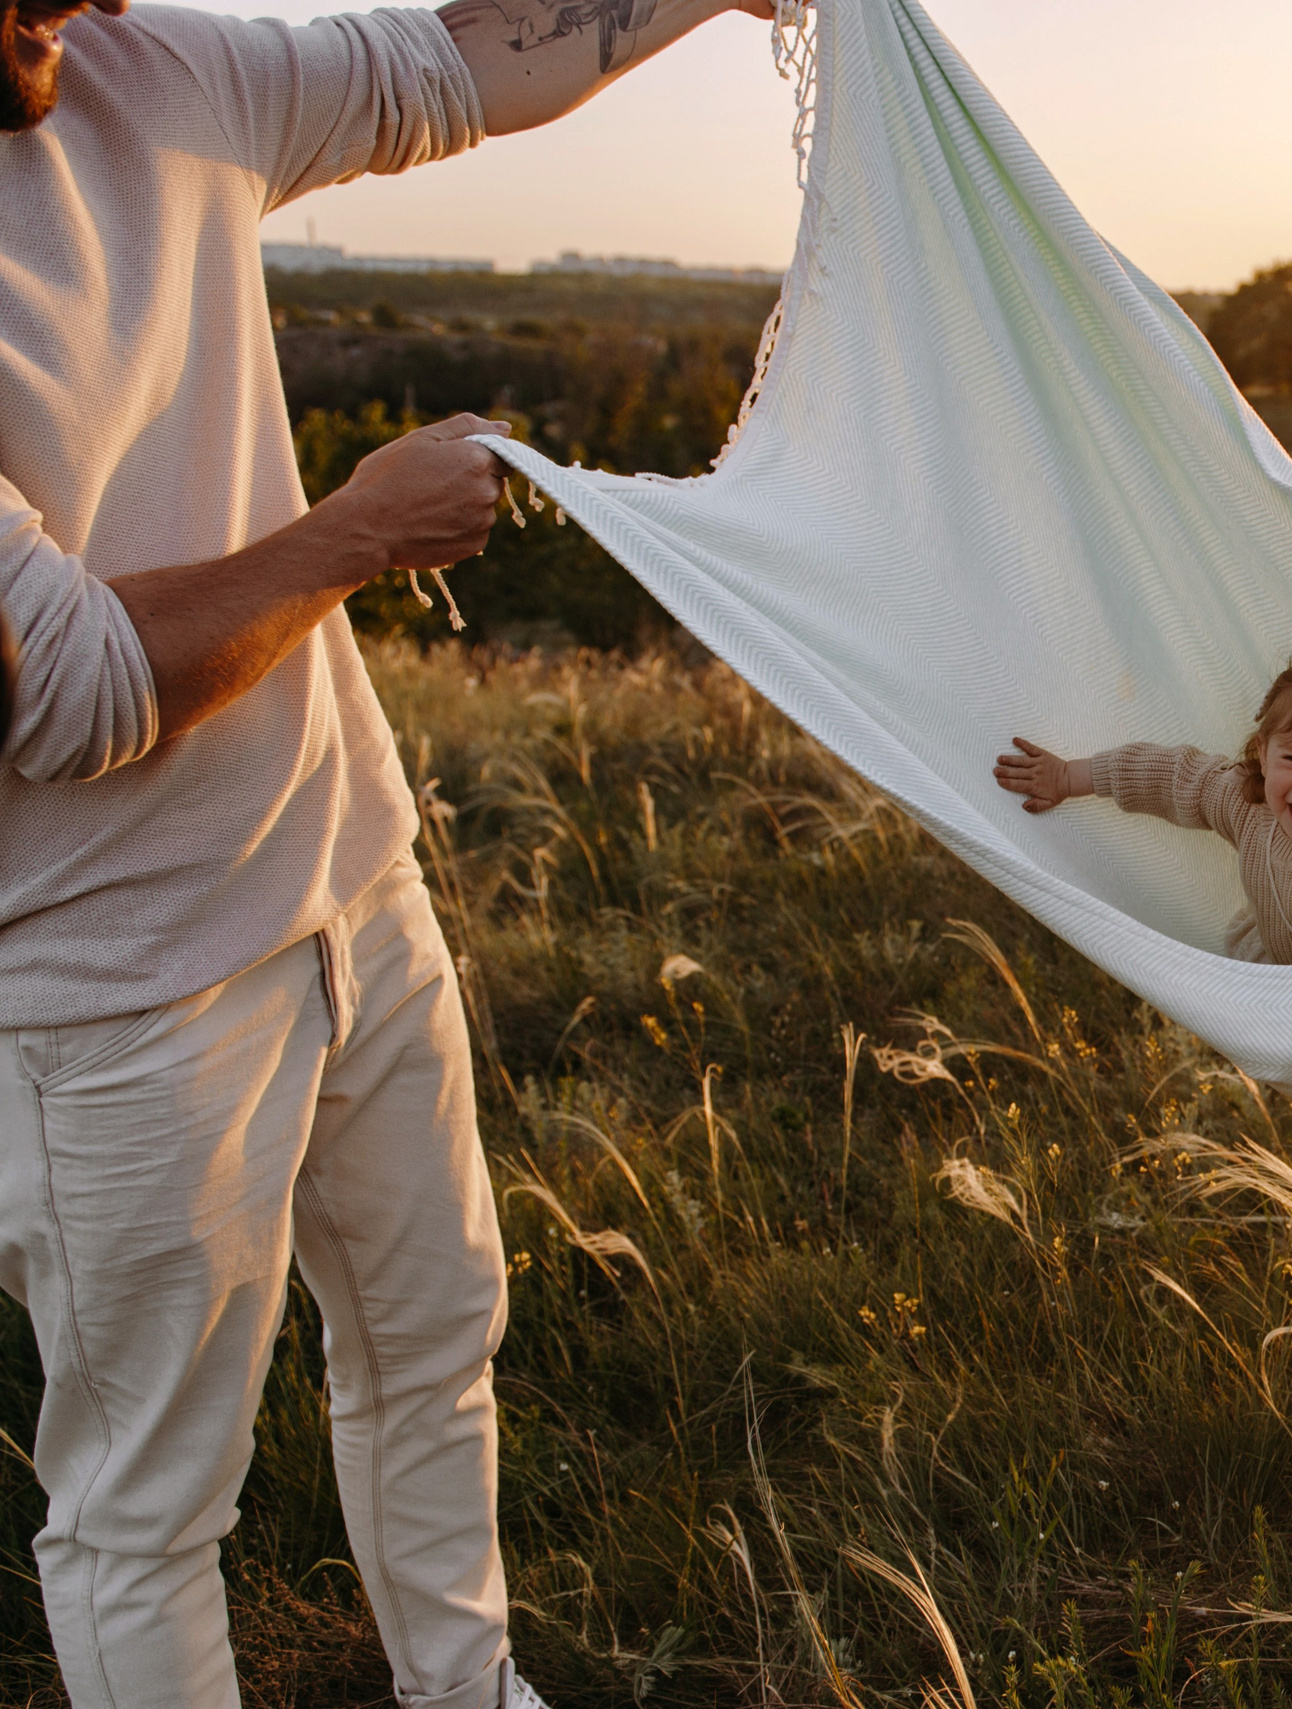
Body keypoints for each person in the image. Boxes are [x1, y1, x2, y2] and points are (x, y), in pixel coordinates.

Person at [0, 0, 771, 1698]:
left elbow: (454, 61)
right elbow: (60, 690)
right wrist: (356, 533)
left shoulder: (150, 72)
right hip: (111, 1001)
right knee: (145, 1511)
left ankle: (469, 1686)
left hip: (351, 873)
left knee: (434, 1340)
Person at [995, 648, 1292, 964]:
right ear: (1263, 752)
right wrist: (1068, 777)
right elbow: (1174, 777)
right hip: (1284, 947)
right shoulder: (1251, 803)